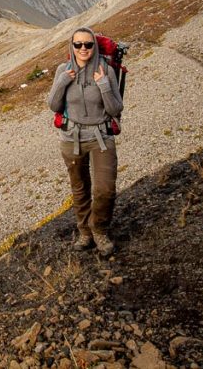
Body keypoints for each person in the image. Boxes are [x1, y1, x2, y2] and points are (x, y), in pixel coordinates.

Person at [46, 26, 123, 256]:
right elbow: (53, 105)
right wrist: (61, 82)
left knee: (105, 190)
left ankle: (98, 228)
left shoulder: (106, 70)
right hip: (71, 138)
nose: (83, 49)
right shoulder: (63, 69)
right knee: (79, 189)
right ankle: (85, 233)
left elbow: (116, 108)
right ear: (72, 46)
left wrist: (104, 85)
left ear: (94, 46)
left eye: (88, 44)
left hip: (101, 137)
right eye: (78, 44)